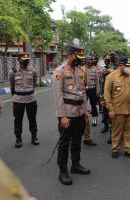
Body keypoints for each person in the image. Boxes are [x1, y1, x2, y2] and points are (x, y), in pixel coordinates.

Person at [53, 43, 90, 185]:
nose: (79, 59)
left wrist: (86, 109)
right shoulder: (60, 71)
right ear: (69, 55)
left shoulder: (80, 71)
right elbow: (58, 96)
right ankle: (62, 171)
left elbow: (83, 92)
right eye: (77, 56)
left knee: (77, 141)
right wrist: (62, 116)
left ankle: (75, 165)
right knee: (64, 143)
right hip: (67, 114)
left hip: (80, 113)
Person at [9, 53, 39, 148]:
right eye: (23, 60)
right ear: (19, 60)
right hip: (18, 100)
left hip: (31, 99)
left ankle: (34, 137)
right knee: (18, 120)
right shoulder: (13, 72)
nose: (26, 62)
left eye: (27, 60)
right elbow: (12, 85)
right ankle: (18, 139)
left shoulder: (33, 71)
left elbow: (34, 83)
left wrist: (30, 90)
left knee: (32, 119)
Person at [82, 56, 100, 127]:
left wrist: (98, 91)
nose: (90, 61)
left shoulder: (94, 69)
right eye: (88, 60)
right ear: (85, 61)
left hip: (92, 89)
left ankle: (94, 119)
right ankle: (83, 119)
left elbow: (97, 81)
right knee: (83, 105)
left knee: (93, 105)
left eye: (91, 60)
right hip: (84, 89)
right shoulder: (82, 69)